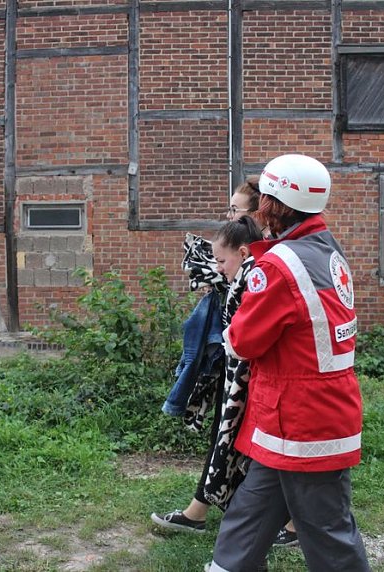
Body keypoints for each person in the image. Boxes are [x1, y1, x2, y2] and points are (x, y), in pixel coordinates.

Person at [207, 154, 371, 571]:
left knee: (328, 533)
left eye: (263, 198)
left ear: (272, 205)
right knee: (250, 516)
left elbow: (242, 340)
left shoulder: (279, 265)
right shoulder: (326, 248)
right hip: (306, 414)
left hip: (299, 421)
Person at [151, 179, 262, 533]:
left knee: (241, 441)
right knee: (227, 435)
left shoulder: (259, 268)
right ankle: (204, 511)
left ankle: (279, 524)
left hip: (249, 371)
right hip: (234, 367)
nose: (229, 214)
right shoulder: (240, 264)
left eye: (236, 210)